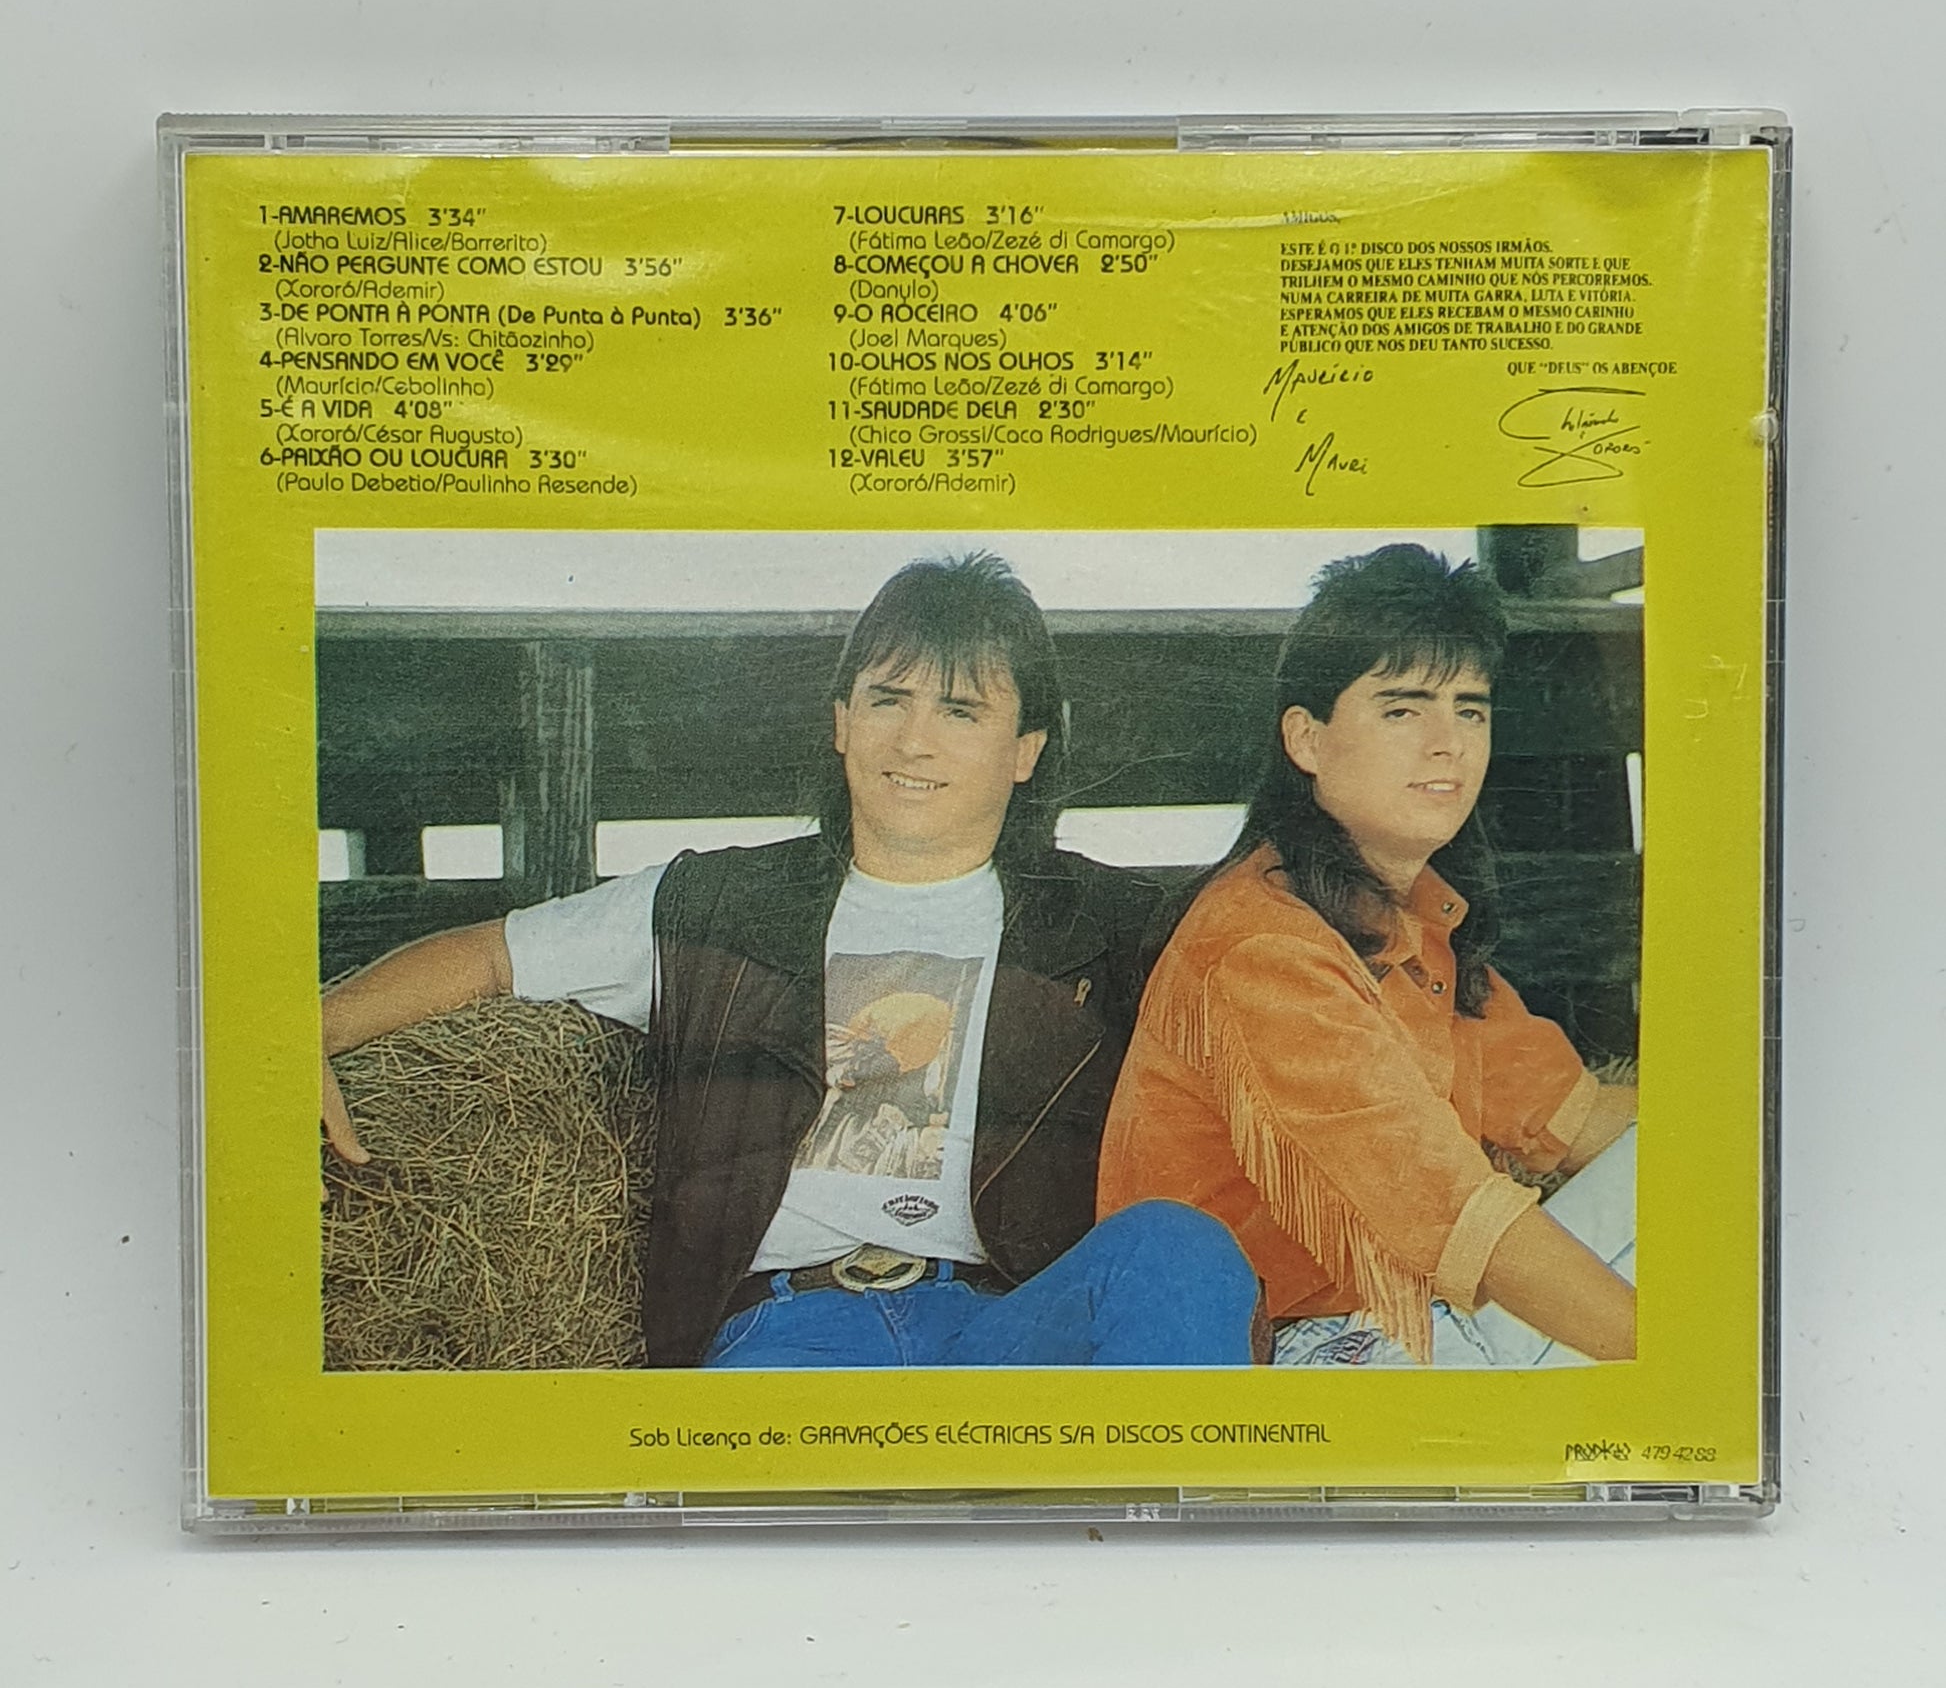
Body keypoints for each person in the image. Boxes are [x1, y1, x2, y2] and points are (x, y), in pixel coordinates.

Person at [323, 552, 1257, 1369]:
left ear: (1025, 751)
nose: (915, 739)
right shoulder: (714, 905)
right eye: (888, 699)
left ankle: (1155, 1525)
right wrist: (307, 1031)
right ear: (842, 721)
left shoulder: (1107, 924)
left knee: (1179, 1249)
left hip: (1005, 1326)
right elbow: (490, 954)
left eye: (960, 710)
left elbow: (1275, 1013)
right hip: (788, 1334)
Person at [1096, 543, 1637, 1365]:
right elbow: (1459, 1219)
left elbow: (1585, 1122)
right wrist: (1678, 1358)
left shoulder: (1412, 917)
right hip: (1299, 1348)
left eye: (1470, 709)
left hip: (1422, 1313)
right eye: (1402, 709)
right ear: (1307, 740)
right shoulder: (1262, 947)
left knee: (1702, 1157)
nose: (1448, 743)